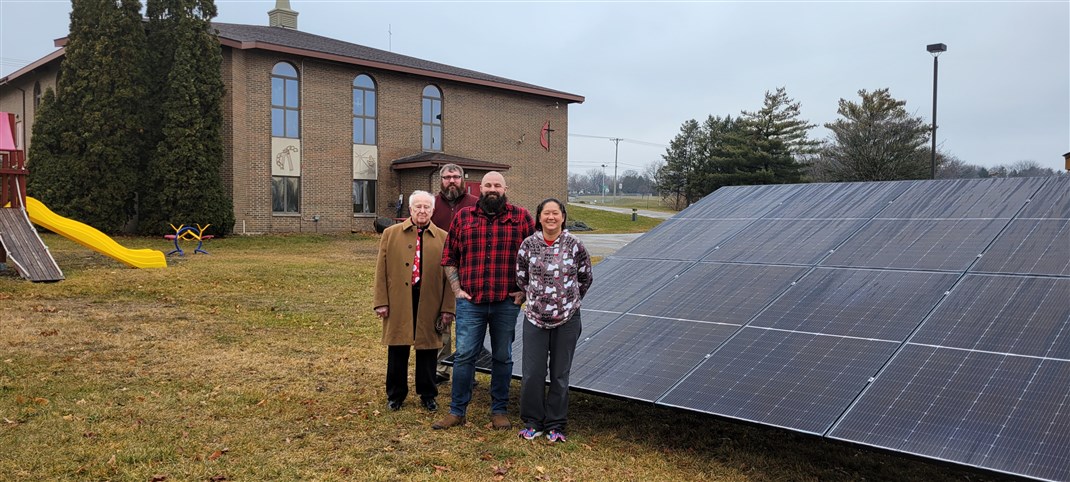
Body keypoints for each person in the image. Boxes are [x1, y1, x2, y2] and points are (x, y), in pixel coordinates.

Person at [432, 171, 535, 430]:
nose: (492, 189)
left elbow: (537, 257)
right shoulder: (464, 217)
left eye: (497, 185)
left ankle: (499, 410)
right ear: (481, 188)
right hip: (470, 301)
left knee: (503, 356)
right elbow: (449, 257)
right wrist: (457, 289)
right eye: (487, 185)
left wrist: (523, 291)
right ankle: (457, 411)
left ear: (505, 188)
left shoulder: (521, 217)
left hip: (505, 302)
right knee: (465, 355)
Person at [515, 198, 592, 443]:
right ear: (539, 217)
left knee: (560, 373)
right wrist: (539, 298)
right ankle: (533, 421)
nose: (551, 217)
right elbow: (521, 277)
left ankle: (556, 424)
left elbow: (585, 277)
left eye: (555, 213)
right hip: (535, 318)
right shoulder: (528, 245)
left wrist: (566, 299)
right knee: (532, 372)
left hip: (567, 318)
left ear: (563, 217)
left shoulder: (575, 244)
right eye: (546, 213)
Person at [373, 190, 455, 412]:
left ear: (432, 210)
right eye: (417, 207)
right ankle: (396, 394)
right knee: (398, 347)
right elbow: (381, 270)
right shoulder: (390, 234)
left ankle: (428, 394)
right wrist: (381, 301)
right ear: (410, 209)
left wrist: (448, 308)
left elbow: (450, 276)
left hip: (430, 298)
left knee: (428, 348)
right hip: (399, 298)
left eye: (426, 207)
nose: (422, 211)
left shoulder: (444, 237)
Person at [430, 163, 478, 386]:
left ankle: (469, 369)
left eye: (455, 177)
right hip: (438, 272)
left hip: (469, 271)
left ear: (463, 179)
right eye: (447, 177)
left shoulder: (475, 205)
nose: (451, 181)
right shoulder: (432, 205)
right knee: (442, 321)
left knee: (468, 324)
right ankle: (441, 368)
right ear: (440, 180)